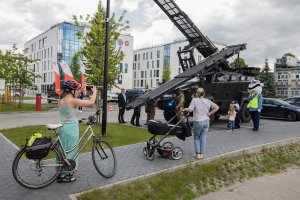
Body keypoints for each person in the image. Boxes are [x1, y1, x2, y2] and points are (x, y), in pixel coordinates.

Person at [58, 80, 96, 183]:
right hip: (71, 130)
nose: (76, 91)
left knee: (63, 152)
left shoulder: (62, 98)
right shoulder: (72, 100)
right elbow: (91, 102)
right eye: (74, 90)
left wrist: (80, 90)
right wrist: (95, 92)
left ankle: (60, 173)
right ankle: (65, 176)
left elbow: (73, 98)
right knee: (70, 152)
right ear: (71, 91)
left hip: (62, 128)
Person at [182, 87, 219, 160]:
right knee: (203, 138)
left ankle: (197, 154)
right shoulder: (208, 101)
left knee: (196, 138)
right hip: (206, 122)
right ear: (204, 93)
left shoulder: (195, 100)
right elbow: (217, 107)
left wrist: (184, 109)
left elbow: (190, 110)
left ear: (197, 94)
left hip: (198, 122)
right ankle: (202, 154)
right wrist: (210, 113)